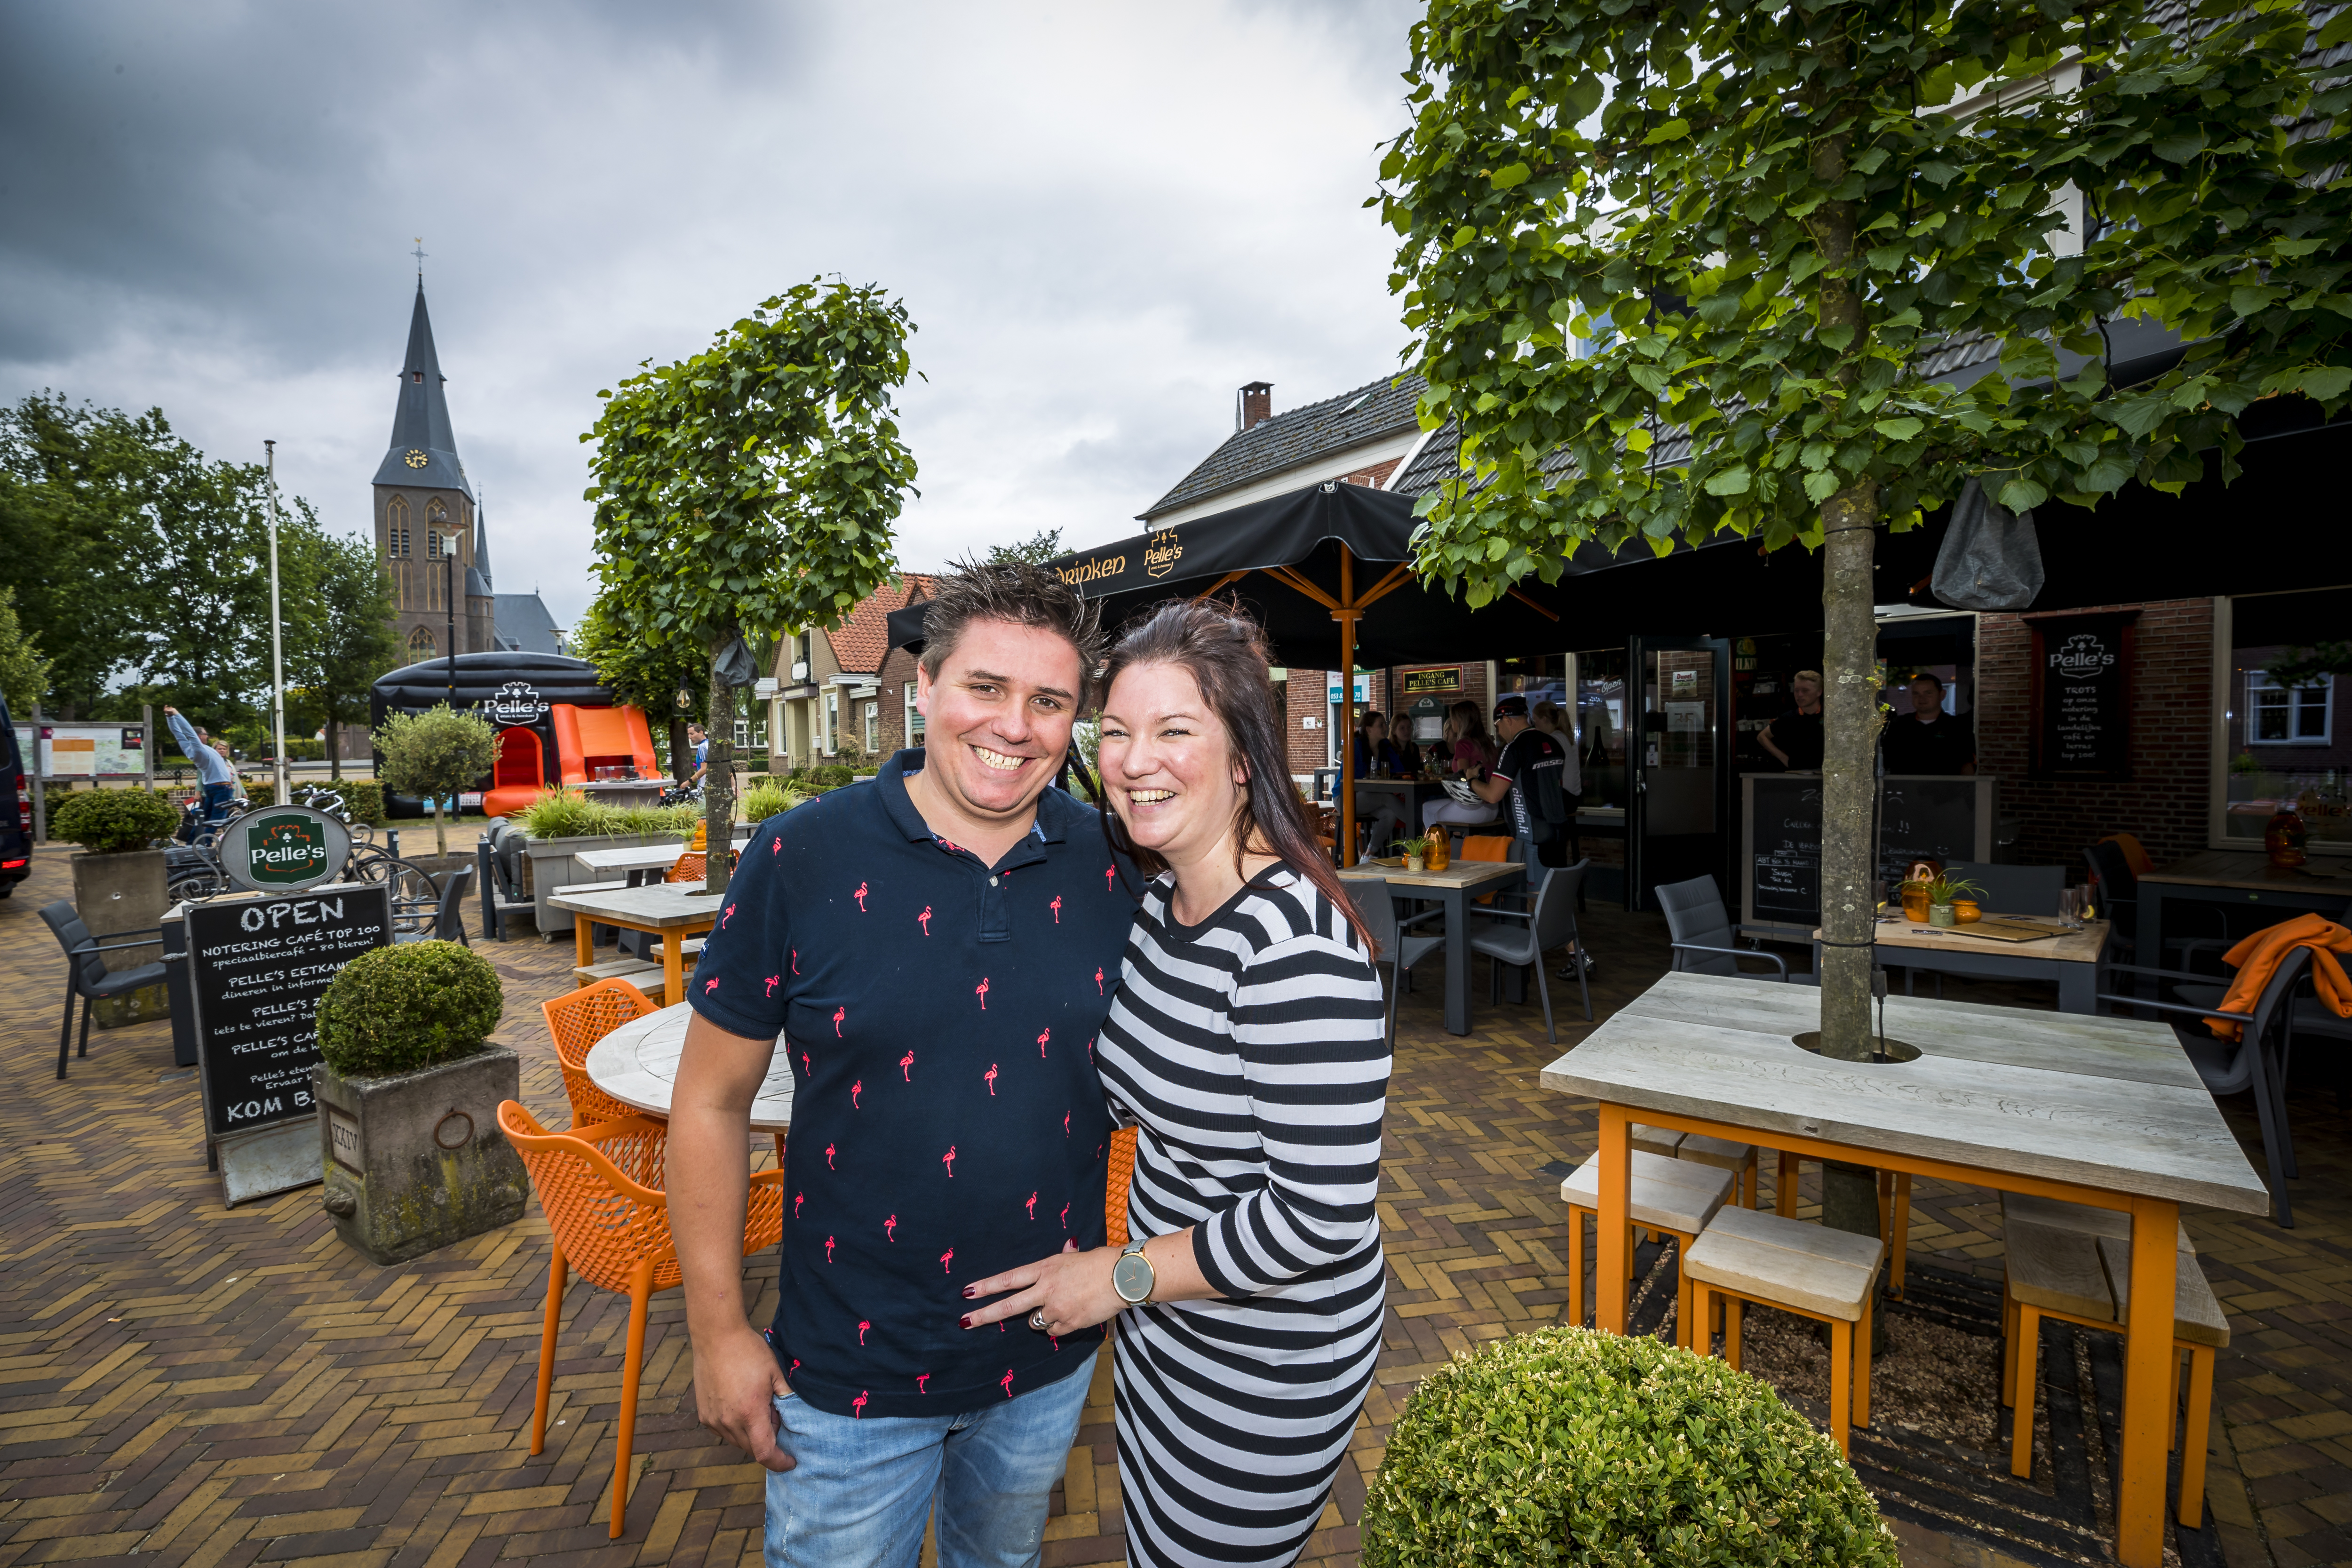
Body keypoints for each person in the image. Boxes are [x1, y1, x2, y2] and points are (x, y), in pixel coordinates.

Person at [669, 562, 1138, 1568]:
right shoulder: (800, 856)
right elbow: (708, 1102)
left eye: (1048, 701)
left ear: (1075, 721)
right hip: (845, 1379)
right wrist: (717, 1333)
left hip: (1045, 1364)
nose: (1014, 726)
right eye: (985, 687)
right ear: (923, 687)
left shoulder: (1117, 866)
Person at [961, 599, 1388, 1568]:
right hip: (1168, 1324)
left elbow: (1318, 1217)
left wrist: (1115, 1277)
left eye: (1173, 730)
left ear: (1245, 759)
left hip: (1268, 1355)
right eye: (1114, 731)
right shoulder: (1160, 901)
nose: (1133, 758)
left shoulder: (1291, 949)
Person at [1461, 696, 1593, 975]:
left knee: (1538, 900)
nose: (1498, 732)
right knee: (1550, 896)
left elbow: (1494, 795)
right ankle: (1569, 955)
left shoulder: (1515, 748)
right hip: (1558, 830)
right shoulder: (1552, 743)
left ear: (1507, 720)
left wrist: (1472, 781)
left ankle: (1573, 957)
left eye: (1498, 726)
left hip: (1532, 836)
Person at [1420, 700, 1501, 836]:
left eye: (1453, 719)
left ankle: (1442, 852)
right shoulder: (1488, 743)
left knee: (1436, 820)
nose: (1451, 723)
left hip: (1473, 808)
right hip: (1493, 808)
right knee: (1427, 807)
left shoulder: (1463, 743)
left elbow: (1462, 777)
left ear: (1460, 721)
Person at [1881, 670, 1977, 775]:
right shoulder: (1899, 726)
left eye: (1928, 693)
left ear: (1942, 695)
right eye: (1916, 694)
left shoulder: (1958, 728)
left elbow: (1967, 766)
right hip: (1905, 789)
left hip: (1945, 789)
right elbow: (1884, 762)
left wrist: (1967, 789)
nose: (1922, 698)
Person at [161, 706, 238, 827]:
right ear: (199, 736)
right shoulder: (199, 750)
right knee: (217, 820)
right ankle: (206, 842)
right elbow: (188, 731)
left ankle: (195, 841)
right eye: (205, 734)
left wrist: (169, 717)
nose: (207, 736)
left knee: (205, 820)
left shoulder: (190, 748)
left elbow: (177, 733)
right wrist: (176, 713)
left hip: (211, 787)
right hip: (220, 788)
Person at [1351, 712, 1411, 858]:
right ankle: (1421, 829)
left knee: (1390, 815)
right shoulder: (1356, 745)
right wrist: (1376, 774)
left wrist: (1387, 750)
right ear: (1369, 729)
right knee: (1386, 798)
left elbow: (1399, 770)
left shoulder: (1384, 745)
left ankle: (1368, 855)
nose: (1386, 728)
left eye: (1385, 724)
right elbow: (1354, 774)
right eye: (1381, 725)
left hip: (1370, 796)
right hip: (1346, 797)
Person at [1757, 670, 1825, 772]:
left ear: (1819, 692)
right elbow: (1762, 737)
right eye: (1797, 690)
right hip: (1797, 774)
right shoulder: (1789, 718)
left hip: (1827, 775)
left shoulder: (1830, 716)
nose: (1800, 695)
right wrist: (1784, 759)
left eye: (1805, 690)